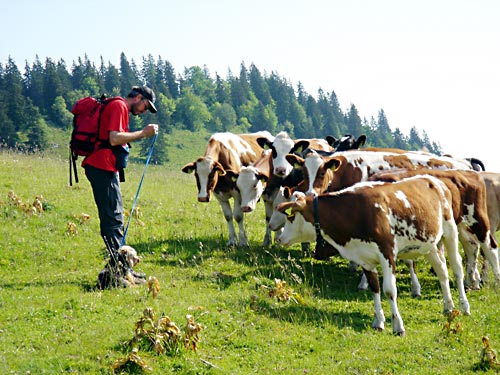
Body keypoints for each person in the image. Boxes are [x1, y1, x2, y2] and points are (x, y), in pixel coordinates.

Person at [82, 86, 159, 288]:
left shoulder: (118, 106)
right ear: (139, 98)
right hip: (101, 166)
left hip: (105, 166)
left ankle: (124, 269)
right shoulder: (119, 106)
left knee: (115, 216)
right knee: (112, 219)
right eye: (145, 106)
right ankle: (118, 271)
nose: (143, 111)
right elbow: (114, 138)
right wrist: (143, 133)